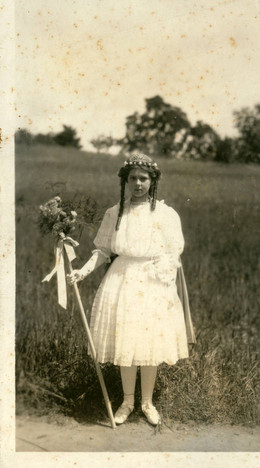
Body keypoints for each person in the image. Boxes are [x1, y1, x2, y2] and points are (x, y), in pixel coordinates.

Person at [67, 153, 195, 427]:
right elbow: (103, 251)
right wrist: (82, 271)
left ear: (152, 180)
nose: (138, 183)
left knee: (149, 342)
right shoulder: (115, 213)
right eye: (133, 178)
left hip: (152, 281)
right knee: (126, 338)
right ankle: (127, 401)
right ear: (125, 181)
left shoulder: (165, 214)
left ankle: (147, 402)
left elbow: (174, 251)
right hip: (122, 279)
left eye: (143, 178)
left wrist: (163, 272)